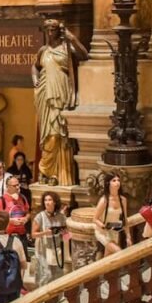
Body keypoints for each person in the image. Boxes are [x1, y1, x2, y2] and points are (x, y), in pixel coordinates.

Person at [34, 19, 88, 185]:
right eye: (48, 30)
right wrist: (35, 79)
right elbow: (35, 66)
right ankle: (47, 173)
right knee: (47, 134)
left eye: (53, 30)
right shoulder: (43, 50)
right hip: (45, 95)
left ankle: (53, 172)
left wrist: (72, 39)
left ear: (58, 31)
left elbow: (84, 55)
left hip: (61, 94)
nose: (50, 33)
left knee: (58, 133)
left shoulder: (66, 48)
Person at [31, 192, 67, 287]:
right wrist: (45, 233)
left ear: (55, 202)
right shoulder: (40, 216)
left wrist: (64, 234)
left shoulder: (61, 217)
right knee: (46, 275)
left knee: (58, 275)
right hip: (43, 250)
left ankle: (56, 299)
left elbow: (67, 236)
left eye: (50, 200)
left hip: (57, 250)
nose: (47, 202)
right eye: (45, 200)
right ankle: (41, 297)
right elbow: (33, 235)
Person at [94, 173, 130, 256]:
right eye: (114, 180)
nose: (117, 182)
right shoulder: (104, 200)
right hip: (103, 232)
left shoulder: (123, 200)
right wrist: (105, 226)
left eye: (118, 180)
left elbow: (125, 220)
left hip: (114, 232)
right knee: (119, 252)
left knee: (109, 259)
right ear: (108, 183)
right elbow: (95, 219)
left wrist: (128, 237)